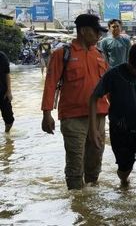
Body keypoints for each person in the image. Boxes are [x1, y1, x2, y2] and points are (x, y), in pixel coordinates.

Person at [88, 42, 136, 204]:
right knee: (125, 167)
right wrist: (93, 129)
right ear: (130, 61)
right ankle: (124, 180)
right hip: (120, 131)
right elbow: (94, 98)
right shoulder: (113, 75)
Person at [41, 14, 109, 190]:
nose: (99, 36)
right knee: (75, 163)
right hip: (73, 118)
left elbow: (109, 87)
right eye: (96, 32)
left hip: (99, 116)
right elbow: (50, 83)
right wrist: (46, 113)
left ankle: (92, 197)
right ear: (84, 31)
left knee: (96, 159)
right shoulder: (62, 54)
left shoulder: (100, 55)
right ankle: (77, 203)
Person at [0, 52, 14, 133]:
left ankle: (6, 134)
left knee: (9, 120)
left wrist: (9, 91)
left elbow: (7, 74)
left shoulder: (2, 56)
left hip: (3, 93)